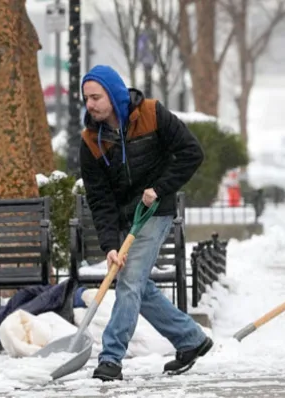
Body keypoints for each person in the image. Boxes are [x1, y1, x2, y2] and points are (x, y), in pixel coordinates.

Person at [79, 64, 211, 381]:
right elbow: (100, 200)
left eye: (96, 97)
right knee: (138, 285)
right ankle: (191, 339)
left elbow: (192, 152)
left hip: (154, 211)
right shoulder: (90, 140)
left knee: (128, 283)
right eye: (86, 98)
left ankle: (110, 358)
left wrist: (161, 188)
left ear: (112, 94)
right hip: (125, 217)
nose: (90, 104)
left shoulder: (152, 114)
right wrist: (110, 245)